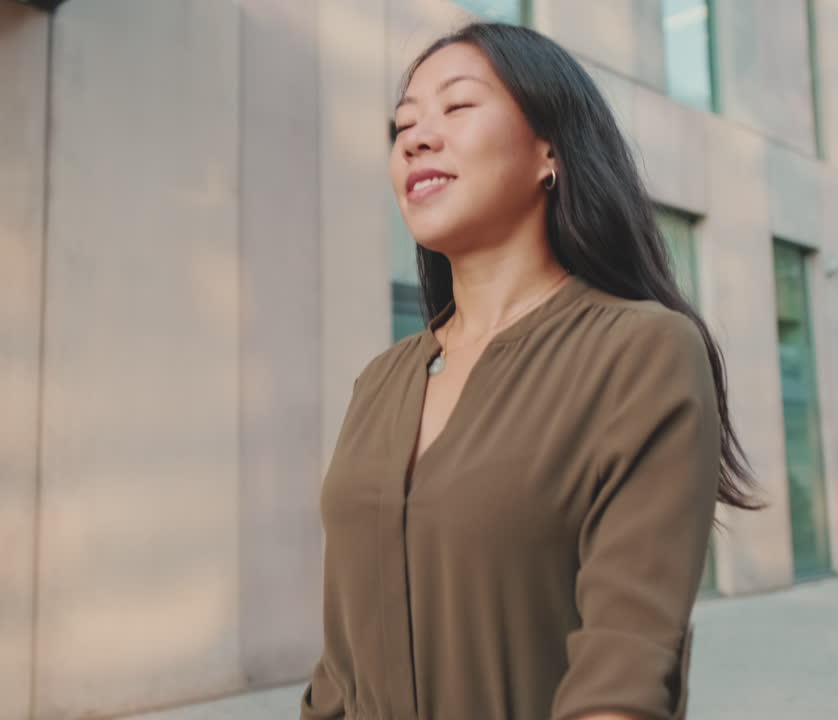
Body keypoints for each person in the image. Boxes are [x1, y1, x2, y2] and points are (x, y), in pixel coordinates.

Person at [301, 23, 759, 720]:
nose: (416, 138)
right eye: (402, 126)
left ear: (550, 150)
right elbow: (339, 672)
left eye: (457, 107)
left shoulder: (640, 353)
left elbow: (626, 669)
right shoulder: (381, 381)